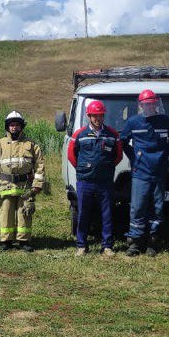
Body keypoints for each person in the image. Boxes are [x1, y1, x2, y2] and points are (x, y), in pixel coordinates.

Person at [119, 89, 169, 256]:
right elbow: (123, 141)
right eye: (145, 104)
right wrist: (134, 157)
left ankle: (152, 242)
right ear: (141, 105)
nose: (149, 107)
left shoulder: (166, 121)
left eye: (151, 104)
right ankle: (135, 243)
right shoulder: (133, 122)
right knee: (137, 207)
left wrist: (164, 155)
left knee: (157, 208)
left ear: (156, 104)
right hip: (140, 172)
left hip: (159, 172)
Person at [0, 111, 45, 252]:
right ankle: (6, 241)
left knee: (25, 213)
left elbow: (39, 166)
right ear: (7, 127)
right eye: (11, 125)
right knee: (5, 213)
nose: (14, 128)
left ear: (21, 126)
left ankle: (23, 240)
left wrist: (37, 184)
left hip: (25, 187)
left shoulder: (31, 145)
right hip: (5, 185)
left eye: (17, 125)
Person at [68, 100, 122, 256]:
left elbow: (117, 156)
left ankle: (107, 246)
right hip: (85, 181)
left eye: (100, 115)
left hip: (105, 181)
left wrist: (105, 168)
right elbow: (72, 156)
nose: (98, 119)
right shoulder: (80, 134)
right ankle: (81, 245)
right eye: (95, 116)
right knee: (83, 213)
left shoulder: (112, 134)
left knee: (107, 214)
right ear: (89, 116)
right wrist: (84, 169)